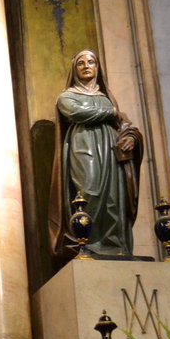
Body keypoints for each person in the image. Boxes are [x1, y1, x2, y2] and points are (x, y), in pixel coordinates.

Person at [48, 48, 145, 262]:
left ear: (97, 67)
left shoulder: (106, 97)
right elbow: (76, 113)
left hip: (110, 149)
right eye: (81, 63)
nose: (86, 66)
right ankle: (87, 243)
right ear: (75, 69)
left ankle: (113, 244)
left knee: (113, 198)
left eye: (90, 62)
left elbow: (125, 124)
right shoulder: (67, 96)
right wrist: (110, 113)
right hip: (83, 144)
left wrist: (131, 138)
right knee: (89, 190)